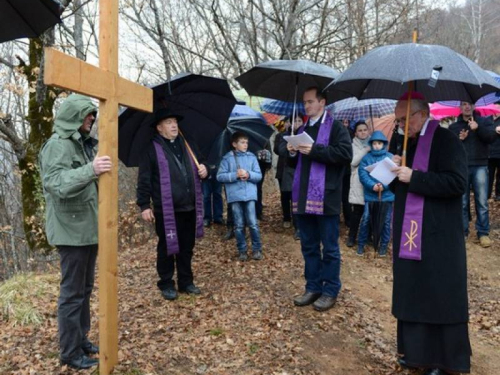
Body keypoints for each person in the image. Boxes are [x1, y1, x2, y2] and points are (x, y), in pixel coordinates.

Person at [391, 92, 471, 375]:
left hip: (438, 232)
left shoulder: (446, 140)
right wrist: (393, 171)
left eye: (404, 119)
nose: (401, 125)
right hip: (410, 231)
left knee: (438, 294)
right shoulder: (406, 142)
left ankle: (442, 359)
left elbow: (457, 183)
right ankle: (415, 353)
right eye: (398, 120)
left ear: (422, 114)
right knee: (414, 290)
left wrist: (415, 177)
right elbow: (402, 185)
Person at [39, 94, 111, 370]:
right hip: (70, 231)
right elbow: (55, 183)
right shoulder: (58, 146)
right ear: (73, 116)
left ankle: (81, 339)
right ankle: (70, 352)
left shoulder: (79, 144)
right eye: (87, 114)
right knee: (72, 294)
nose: (92, 118)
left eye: (92, 114)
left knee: (85, 289)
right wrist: (90, 170)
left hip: (86, 229)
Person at [287, 87, 352, 312]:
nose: (306, 106)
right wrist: (292, 151)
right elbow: (293, 164)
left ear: (322, 102)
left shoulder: (335, 127)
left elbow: (345, 155)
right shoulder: (302, 128)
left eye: (310, 102)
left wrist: (315, 150)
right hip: (303, 195)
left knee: (330, 248)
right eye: (304, 102)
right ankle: (313, 286)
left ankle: (330, 290)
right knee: (309, 246)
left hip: (327, 196)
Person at [137, 108, 208, 301]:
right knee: (167, 247)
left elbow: (203, 163)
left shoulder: (188, 144)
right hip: (166, 209)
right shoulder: (151, 149)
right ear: (159, 128)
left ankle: (186, 282)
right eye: (168, 122)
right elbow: (144, 179)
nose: (174, 125)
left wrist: (205, 169)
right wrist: (144, 205)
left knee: (187, 247)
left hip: (190, 206)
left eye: (175, 121)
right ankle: (166, 283)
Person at [449, 102, 499, 248]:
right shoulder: (454, 127)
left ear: (473, 106)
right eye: (464, 104)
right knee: (462, 202)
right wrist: (460, 139)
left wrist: (478, 129)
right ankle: (463, 232)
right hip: (462, 167)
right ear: (460, 107)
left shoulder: (484, 121)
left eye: (469, 104)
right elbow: (451, 147)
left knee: (482, 202)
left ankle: (483, 233)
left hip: (481, 165)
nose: (467, 107)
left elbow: (491, 138)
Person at [217, 131, 263, 261]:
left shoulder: (252, 157)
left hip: (250, 195)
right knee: (238, 224)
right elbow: (220, 176)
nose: (245, 145)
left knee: (253, 223)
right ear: (234, 144)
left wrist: (248, 174)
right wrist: (234, 175)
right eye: (242, 142)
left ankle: (257, 249)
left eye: (246, 142)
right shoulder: (227, 158)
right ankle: (242, 250)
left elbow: (258, 175)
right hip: (235, 196)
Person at [357, 131, 394, 257]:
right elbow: (363, 174)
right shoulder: (366, 158)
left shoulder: (390, 157)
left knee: (386, 221)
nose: (377, 146)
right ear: (371, 144)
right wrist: (372, 185)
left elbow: (394, 175)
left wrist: (384, 186)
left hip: (387, 195)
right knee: (366, 218)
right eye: (374, 143)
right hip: (371, 195)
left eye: (379, 143)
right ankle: (361, 244)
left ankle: (383, 245)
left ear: (383, 144)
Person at [274, 114, 303, 240]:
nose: (297, 123)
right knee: (291, 198)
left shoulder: (306, 134)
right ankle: (296, 226)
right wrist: (289, 147)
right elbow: (280, 150)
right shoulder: (285, 136)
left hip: (304, 171)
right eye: (295, 121)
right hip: (289, 171)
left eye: (300, 120)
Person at [347, 121, 371, 247]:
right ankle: (352, 236)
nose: (363, 132)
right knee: (357, 212)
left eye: (365, 130)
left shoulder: (374, 143)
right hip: (358, 181)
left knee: (371, 211)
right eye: (360, 130)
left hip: (371, 180)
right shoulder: (352, 145)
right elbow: (353, 162)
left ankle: (368, 236)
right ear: (355, 133)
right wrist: (365, 150)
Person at [341, 119, 354, 227]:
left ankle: (348, 220)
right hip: (336, 170)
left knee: (346, 197)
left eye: (347, 122)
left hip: (346, 171)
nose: (345, 124)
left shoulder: (350, 132)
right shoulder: (336, 132)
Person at [202, 163, 224, 227]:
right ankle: (207, 218)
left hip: (218, 169)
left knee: (217, 194)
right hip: (206, 168)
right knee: (206, 196)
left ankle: (218, 217)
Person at [256, 142, 272, 220]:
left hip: (261, 163)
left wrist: (269, 162)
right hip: (247, 163)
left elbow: (267, 143)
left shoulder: (260, 132)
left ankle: (258, 212)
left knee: (258, 189)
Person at [487, 112, 500, 200]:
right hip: (489, 154)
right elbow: (483, 133)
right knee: (488, 176)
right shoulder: (487, 120)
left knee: (499, 176)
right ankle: (487, 194)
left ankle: (498, 194)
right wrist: (494, 130)